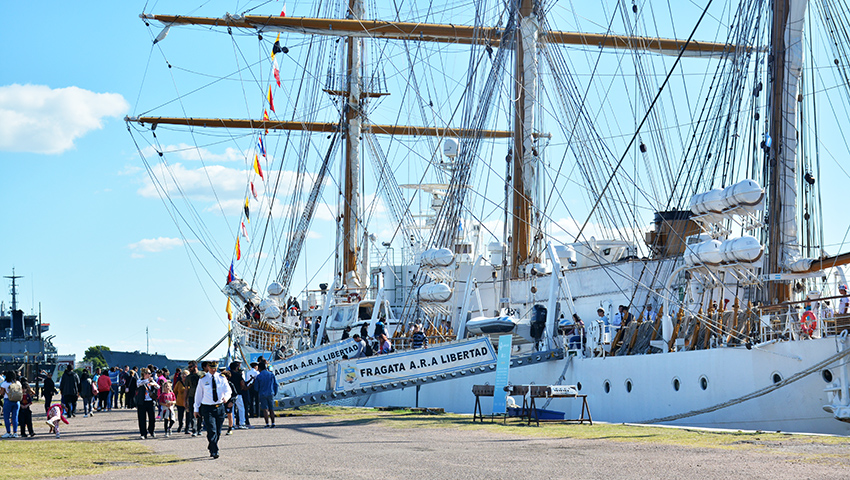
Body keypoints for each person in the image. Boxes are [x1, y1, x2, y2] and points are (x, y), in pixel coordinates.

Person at [194, 361, 231, 459]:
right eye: (211, 368)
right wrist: (196, 408)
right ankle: (215, 450)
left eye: (215, 368)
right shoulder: (203, 380)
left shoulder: (222, 378)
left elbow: (228, 390)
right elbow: (198, 395)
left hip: (219, 407)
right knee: (212, 430)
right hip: (207, 408)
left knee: (218, 431)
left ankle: (212, 445)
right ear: (207, 368)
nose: (213, 370)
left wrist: (226, 397)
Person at [135, 368, 160, 439]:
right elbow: (139, 384)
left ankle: (151, 431)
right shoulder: (140, 380)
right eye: (149, 373)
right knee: (142, 418)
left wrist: (153, 384)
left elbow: (158, 387)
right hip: (142, 402)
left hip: (150, 401)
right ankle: (143, 433)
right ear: (144, 374)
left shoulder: (151, 380)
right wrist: (147, 381)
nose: (150, 375)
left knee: (152, 418)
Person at [253, 361, 277, 428]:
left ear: (260, 368)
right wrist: (275, 392)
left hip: (262, 394)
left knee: (265, 409)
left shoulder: (259, 376)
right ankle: (273, 423)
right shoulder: (271, 374)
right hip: (270, 393)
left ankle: (267, 424)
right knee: (271, 409)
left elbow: (256, 388)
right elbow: (276, 384)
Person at [0, 370, 21, 438]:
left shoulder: (4, 383)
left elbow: (1, 393)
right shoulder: (18, 383)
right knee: (15, 417)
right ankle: (15, 432)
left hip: (8, 400)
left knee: (6, 417)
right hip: (17, 401)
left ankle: (8, 432)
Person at [228, 361, 248, 429]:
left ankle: (232, 424)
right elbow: (242, 383)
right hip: (238, 393)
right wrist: (242, 388)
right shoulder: (238, 375)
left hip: (229, 394)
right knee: (241, 408)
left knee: (231, 410)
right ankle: (242, 423)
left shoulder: (228, 375)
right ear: (236, 368)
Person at [185, 361, 202, 436]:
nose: (189, 369)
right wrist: (185, 400)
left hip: (201, 397)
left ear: (195, 366)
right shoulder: (188, 377)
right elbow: (186, 389)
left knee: (201, 414)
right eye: (188, 367)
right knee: (192, 414)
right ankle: (194, 430)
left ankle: (199, 429)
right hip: (192, 396)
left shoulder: (202, 375)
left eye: (190, 367)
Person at [221, 371, 237, 435]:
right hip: (221, 402)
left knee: (229, 416)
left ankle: (230, 428)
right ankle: (218, 429)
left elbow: (235, 394)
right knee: (220, 416)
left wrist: (232, 402)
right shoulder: (219, 384)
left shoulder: (230, 384)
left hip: (228, 402)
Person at [173, 369, 187, 434]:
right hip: (180, 402)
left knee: (188, 416)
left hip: (187, 402)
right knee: (180, 416)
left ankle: (187, 428)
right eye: (183, 376)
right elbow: (175, 391)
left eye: (186, 376)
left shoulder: (189, 383)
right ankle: (180, 425)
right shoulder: (179, 383)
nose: (184, 377)